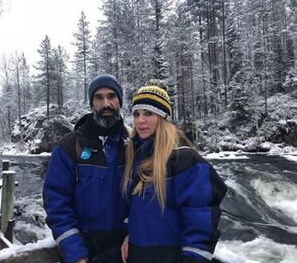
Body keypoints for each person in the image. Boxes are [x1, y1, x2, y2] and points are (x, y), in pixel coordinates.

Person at [120, 84, 227, 263]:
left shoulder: (184, 161)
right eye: (136, 114)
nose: (140, 120)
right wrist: (129, 233)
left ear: (163, 118)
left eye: (148, 113)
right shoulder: (135, 157)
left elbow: (200, 221)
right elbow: (136, 208)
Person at [43, 74, 129, 263]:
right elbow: (56, 202)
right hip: (83, 250)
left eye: (111, 96)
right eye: (99, 97)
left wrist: (134, 235)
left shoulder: (132, 145)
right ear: (92, 104)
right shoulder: (70, 146)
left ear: (120, 101)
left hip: (123, 252)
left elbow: (144, 199)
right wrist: (76, 252)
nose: (106, 103)